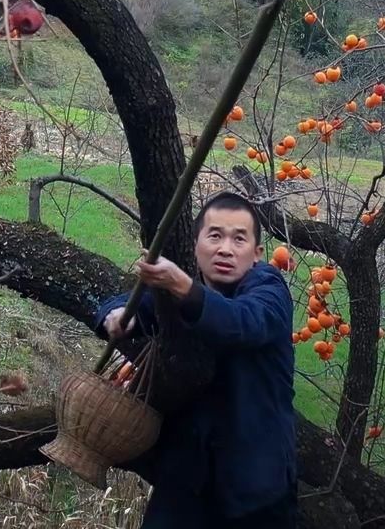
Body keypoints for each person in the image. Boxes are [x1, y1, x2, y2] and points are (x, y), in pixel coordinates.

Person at [94, 191, 298, 528]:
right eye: (215, 236)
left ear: (257, 254)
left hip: (256, 490)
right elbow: (126, 305)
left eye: (239, 239)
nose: (225, 249)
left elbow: (240, 323)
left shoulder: (269, 291)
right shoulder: (178, 293)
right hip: (184, 484)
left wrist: (183, 286)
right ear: (194, 245)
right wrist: (113, 316)